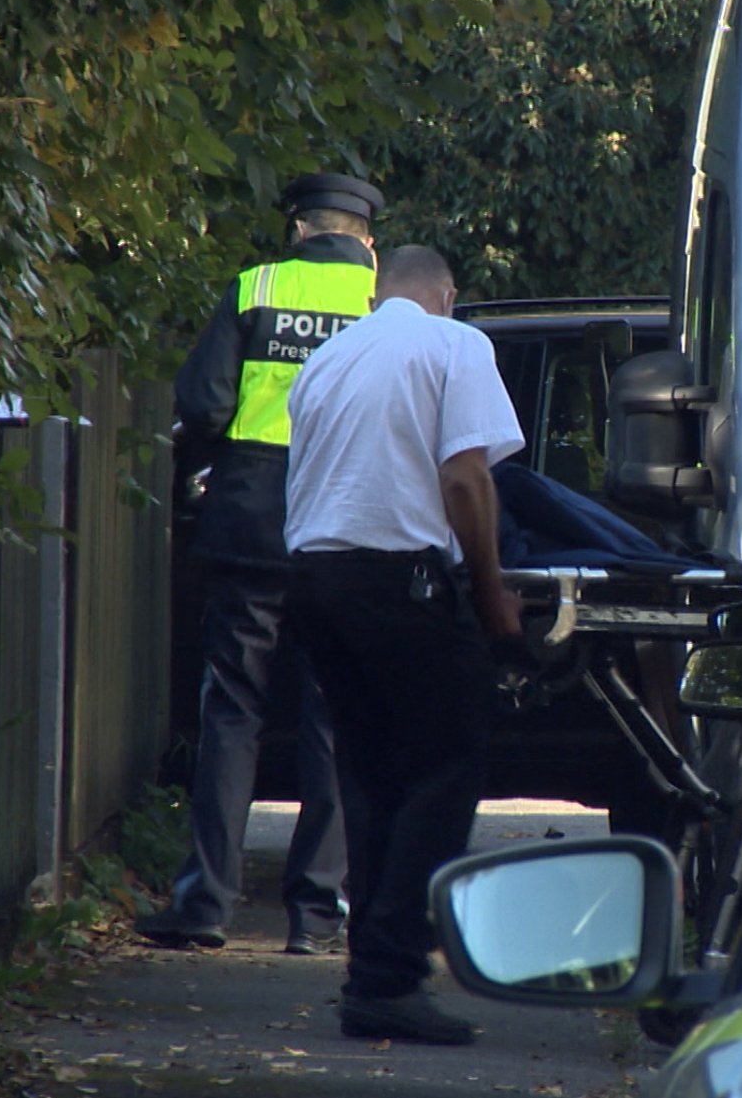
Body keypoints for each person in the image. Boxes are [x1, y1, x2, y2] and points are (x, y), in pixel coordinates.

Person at [282, 245, 526, 1046]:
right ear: (446, 295)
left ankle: (371, 976)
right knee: (444, 767)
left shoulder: (325, 359)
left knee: (372, 774)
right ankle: (390, 976)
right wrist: (491, 595)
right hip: (401, 583)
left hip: (316, 581)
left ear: (379, 292)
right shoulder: (454, 344)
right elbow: (464, 480)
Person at [136, 172, 384, 956]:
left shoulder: (256, 287)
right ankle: (315, 915)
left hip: (253, 523)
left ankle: (205, 902)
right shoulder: (384, 308)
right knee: (335, 718)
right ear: (366, 238)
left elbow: (204, 403)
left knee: (232, 712)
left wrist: (218, 465)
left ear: (301, 229)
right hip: (345, 529)